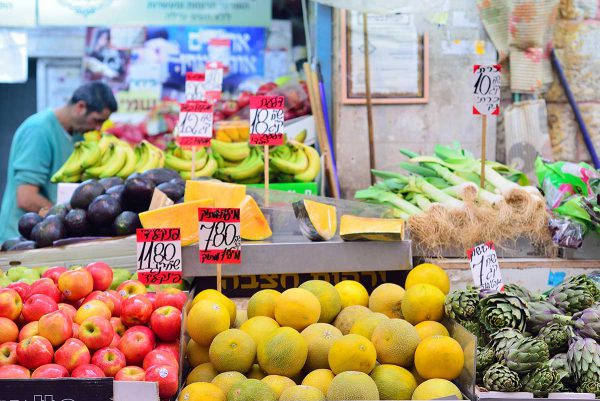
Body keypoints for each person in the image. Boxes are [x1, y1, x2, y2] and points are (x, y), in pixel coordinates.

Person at [0, 82, 118, 242]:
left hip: (50, 235)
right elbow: (26, 198)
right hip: (20, 239)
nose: (98, 128)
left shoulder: (78, 135)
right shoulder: (38, 131)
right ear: (80, 107)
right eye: (97, 120)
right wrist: (64, 216)